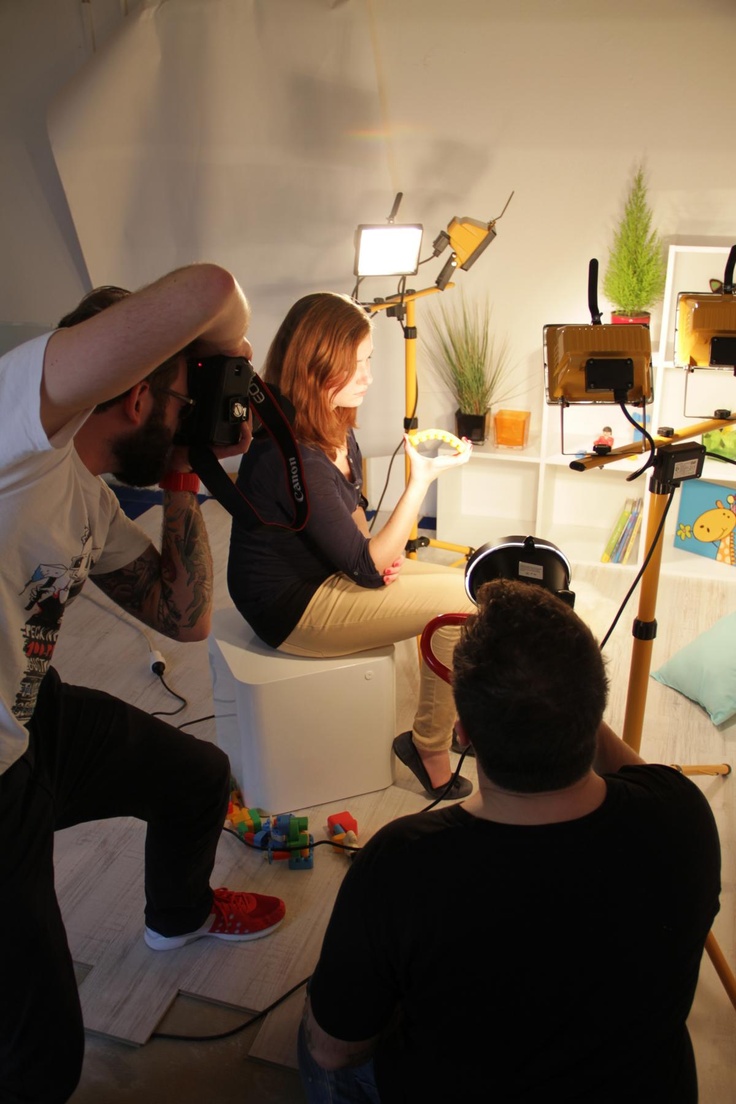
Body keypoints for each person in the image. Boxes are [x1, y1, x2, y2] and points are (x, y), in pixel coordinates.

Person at [0, 265, 287, 1104]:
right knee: (39, 1053)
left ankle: (178, 918)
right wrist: (225, 353)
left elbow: (183, 613)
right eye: (179, 399)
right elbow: (211, 289)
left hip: (29, 708)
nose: (188, 413)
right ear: (133, 398)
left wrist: (184, 468)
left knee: (196, 776)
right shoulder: (16, 433)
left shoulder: (84, 497)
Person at [299, 578, 721, 1103]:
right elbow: (646, 774)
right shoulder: (682, 813)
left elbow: (334, 1051)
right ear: (594, 710)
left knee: (317, 1029)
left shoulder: (401, 862)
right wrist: (570, 696)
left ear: (464, 734)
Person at [227, 291, 475, 800]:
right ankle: (430, 743)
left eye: (369, 361)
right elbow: (364, 563)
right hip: (291, 608)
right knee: (460, 609)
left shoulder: (334, 427)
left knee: (470, 589)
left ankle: (449, 718)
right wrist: (421, 479)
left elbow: (357, 524)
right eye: (355, 365)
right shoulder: (293, 456)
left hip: (325, 571)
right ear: (316, 370)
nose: (367, 376)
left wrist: (378, 559)